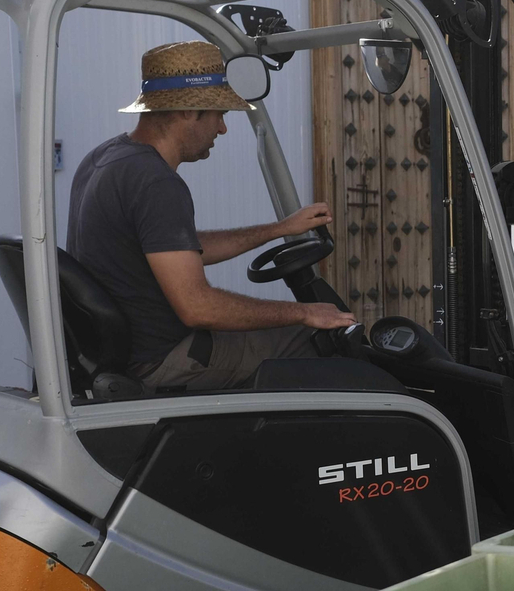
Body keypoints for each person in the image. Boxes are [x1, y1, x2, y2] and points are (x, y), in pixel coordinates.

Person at [68, 41, 354, 392]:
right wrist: (305, 312)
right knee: (316, 342)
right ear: (189, 111)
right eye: (219, 114)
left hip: (127, 352)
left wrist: (279, 229)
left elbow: (178, 246)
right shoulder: (155, 182)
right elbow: (198, 308)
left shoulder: (107, 158)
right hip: (162, 361)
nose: (222, 129)